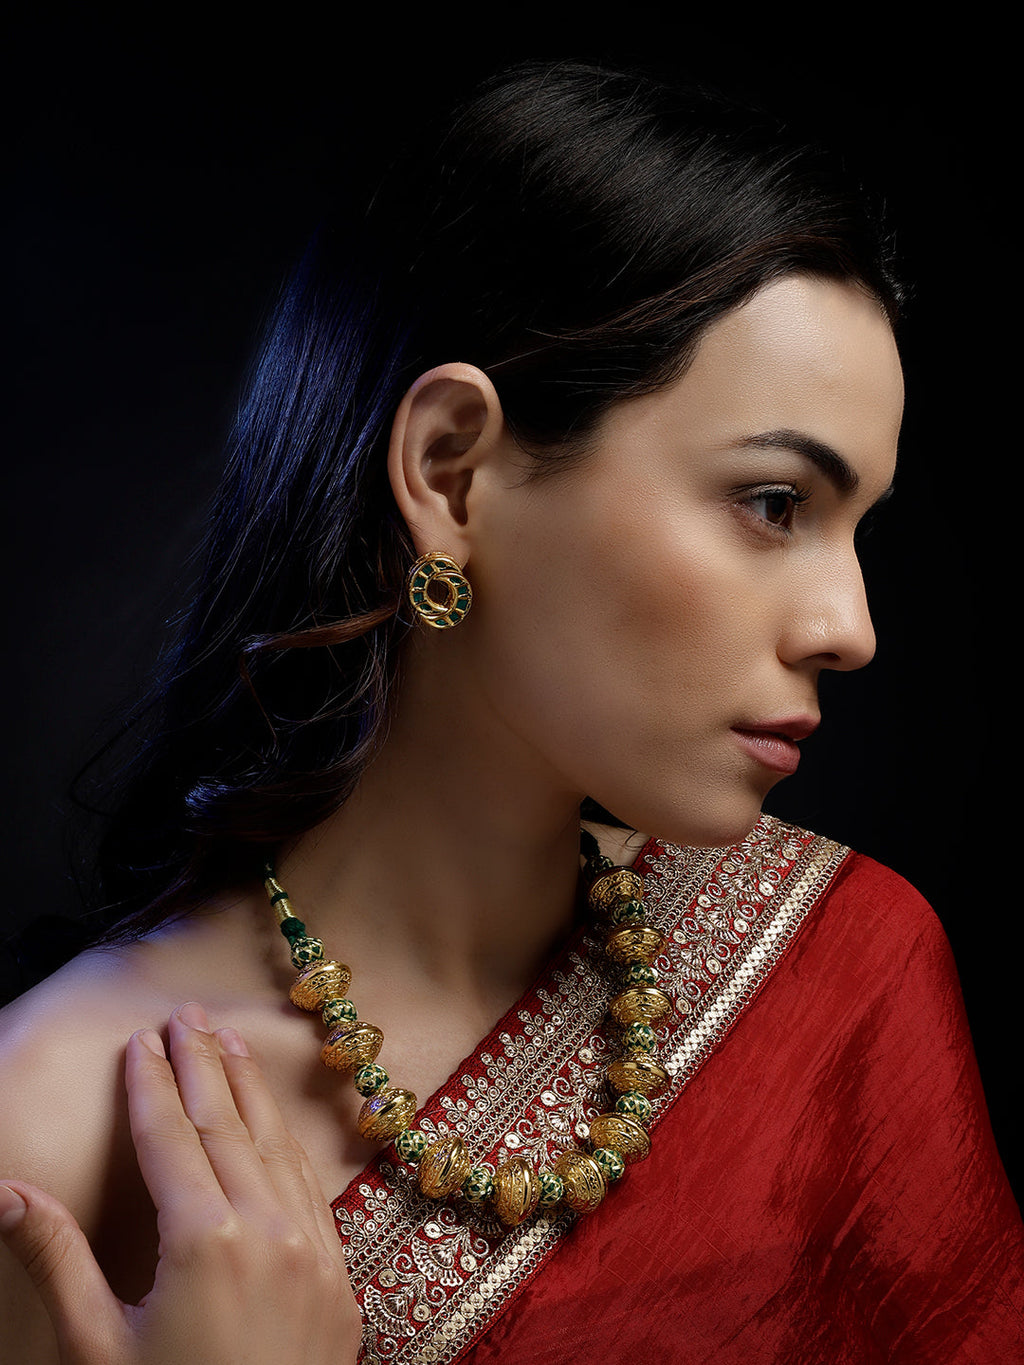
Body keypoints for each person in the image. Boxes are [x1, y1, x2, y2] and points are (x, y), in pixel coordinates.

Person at [1, 60, 1020, 1365]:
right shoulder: (59, 1126)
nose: (851, 625)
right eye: (775, 503)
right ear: (452, 472)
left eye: (856, 527)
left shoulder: (845, 965)